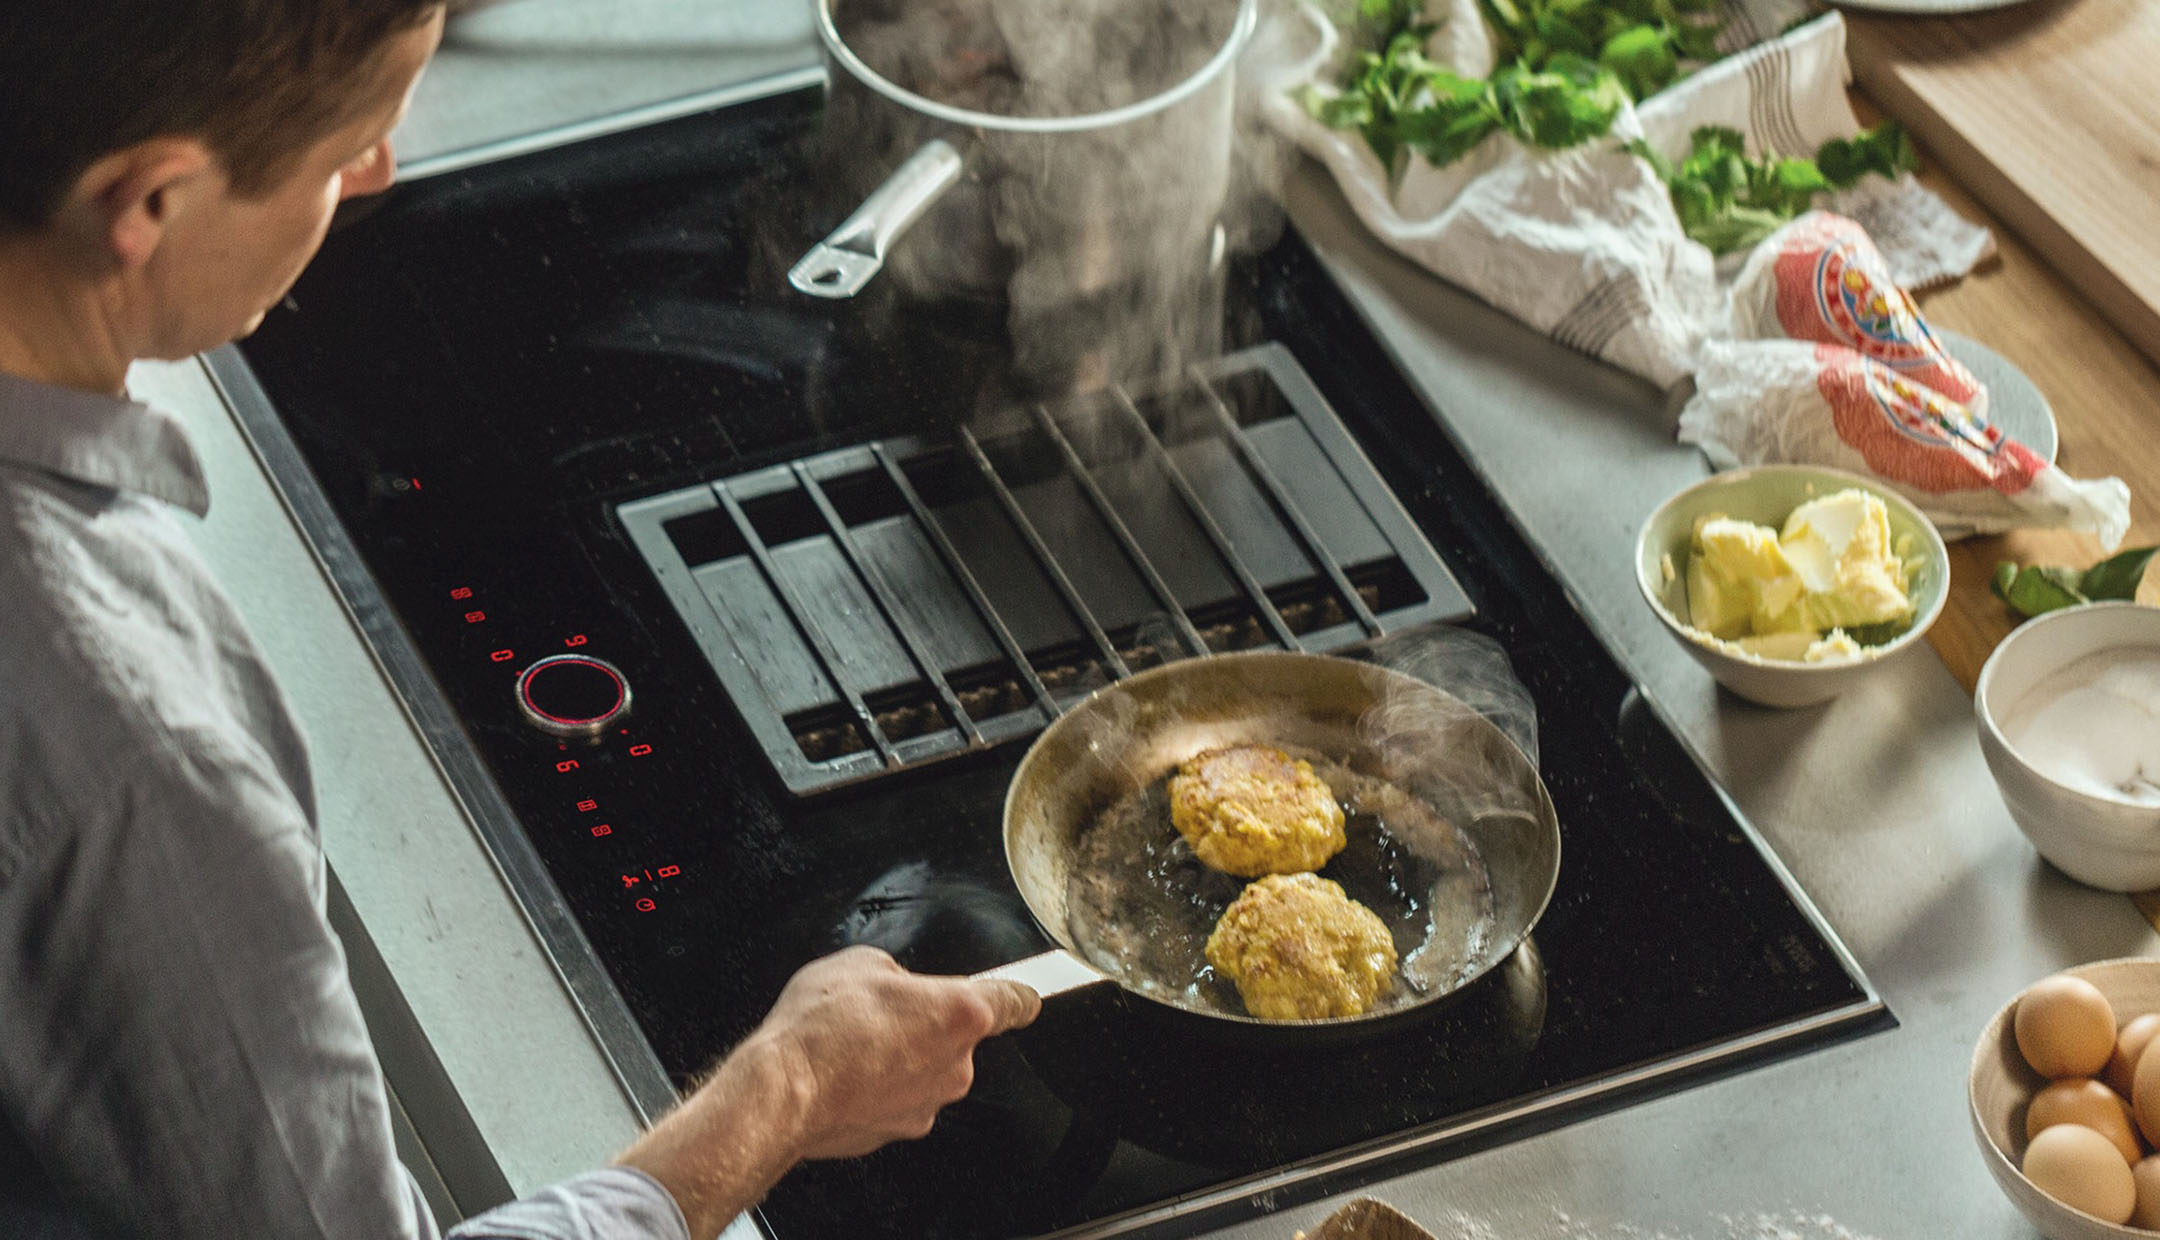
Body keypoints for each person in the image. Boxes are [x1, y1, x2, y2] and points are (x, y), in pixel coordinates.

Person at [0, 3, 1041, 1237]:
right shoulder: (139, 761)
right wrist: (791, 1088)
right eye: (344, 150)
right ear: (148, 202)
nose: (379, 172)